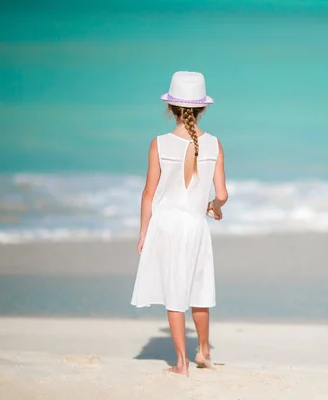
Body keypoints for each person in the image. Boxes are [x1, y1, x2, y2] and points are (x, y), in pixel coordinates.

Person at [130, 71, 228, 376]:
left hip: (166, 225)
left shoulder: (159, 144)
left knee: (174, 291)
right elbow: (222, 194)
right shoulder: (213, 144)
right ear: (203, 108)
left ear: (171, 108)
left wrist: (143, 233)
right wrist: (213, 207)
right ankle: (204, 351)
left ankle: (181, 363)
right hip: (196, 225)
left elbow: (148, 193)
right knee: (199, 290)